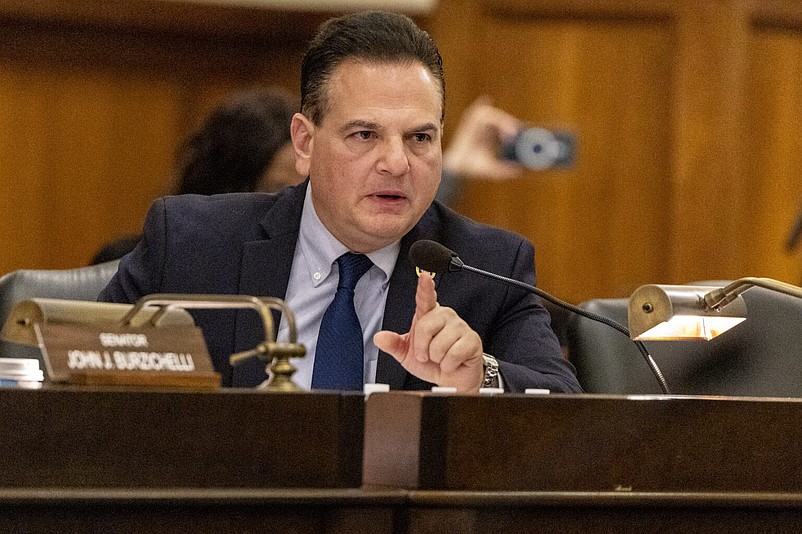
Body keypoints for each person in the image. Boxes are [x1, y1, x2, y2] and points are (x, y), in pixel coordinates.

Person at [98, 10, 582, 394]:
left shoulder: (487, 268)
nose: (396, 162)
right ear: (305, 144)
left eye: (419, 137)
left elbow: (565, 411)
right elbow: (76, 367)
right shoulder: (191, 244)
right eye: (364, 134)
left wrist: (480, 377)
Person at [91, 88, 300, 264]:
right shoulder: (135, 265)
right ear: (228, 186)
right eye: (277, 190)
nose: (294, 204)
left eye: (303, 190)